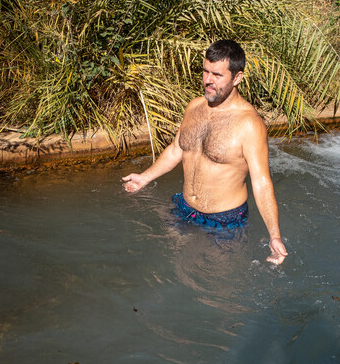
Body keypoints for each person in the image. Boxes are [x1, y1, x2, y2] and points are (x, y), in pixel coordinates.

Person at [123, 40, 289, 265]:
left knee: (216, 288)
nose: (208, 81)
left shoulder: (249, 124)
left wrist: (274, 236)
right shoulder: (194, 107)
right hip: (184, 207)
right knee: (177, 265)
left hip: (224, 222)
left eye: (217, 75)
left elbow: (261, 182)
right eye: (205, 72)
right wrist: (144, 178)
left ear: (237, 78)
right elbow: (177, 149)